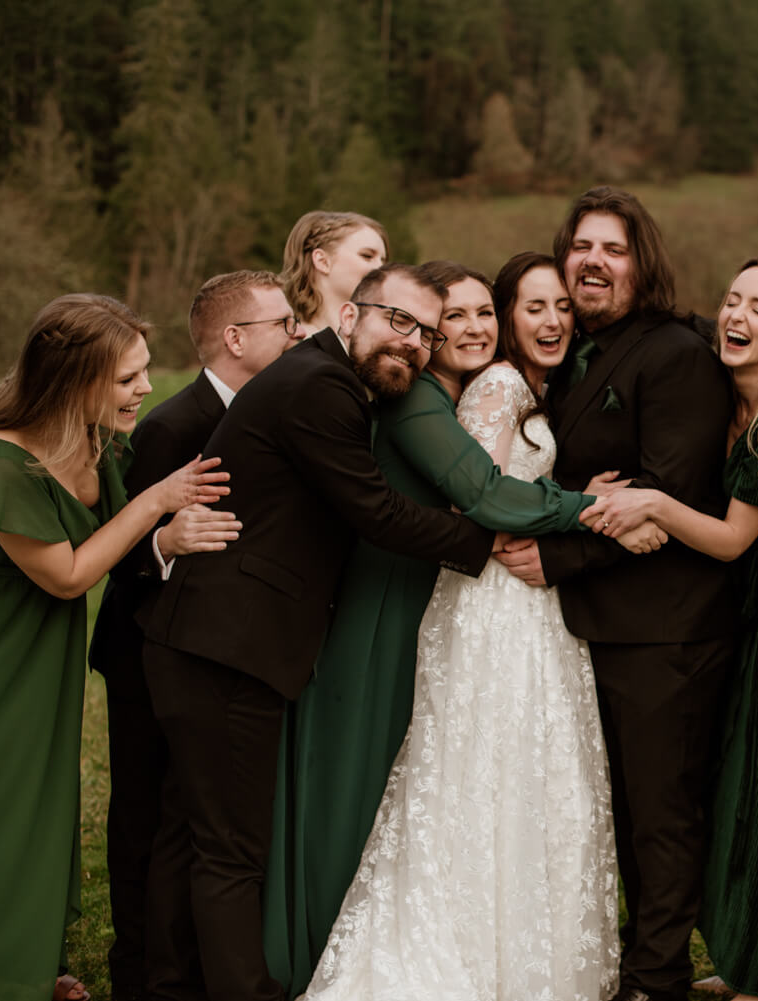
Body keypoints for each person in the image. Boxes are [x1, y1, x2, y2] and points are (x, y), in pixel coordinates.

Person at [303, 252, 667, 1001]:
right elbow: (486, 501)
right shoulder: (498, 386)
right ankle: (489, 953)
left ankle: (509, 946)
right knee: (498, 766)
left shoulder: (493, 387)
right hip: (498, 605)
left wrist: (564, 495)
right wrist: (598, 516)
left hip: (518, 603)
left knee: (511, 766)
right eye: (457, 316)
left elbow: (500, 483)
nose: (476, 327)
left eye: (482, 314)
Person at [140, 264, 497, 1001]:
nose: (415, 342)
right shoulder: (319, 386)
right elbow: (372, 509)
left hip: (224, 643)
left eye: (426, 333)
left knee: (211, 835)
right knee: (230, 849)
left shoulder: (325, 380)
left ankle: (176, 982)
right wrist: (479, 541)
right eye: (399, 320)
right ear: (349, 314)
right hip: (222, 645)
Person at [582, 256, 758, 1001]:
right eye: (732, 300)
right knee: (734, 795)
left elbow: (733, 540)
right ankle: (742, 955)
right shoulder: (716, 388)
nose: (737, 317)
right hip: (737, 616)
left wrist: (654, 503)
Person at [495, 186, 735, 1001]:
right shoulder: (566, 357)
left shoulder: (676, 355)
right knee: (611, 807)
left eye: (614, 249)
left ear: (644, 264)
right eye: (582, 247)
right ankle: (629, 957)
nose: (593, 261)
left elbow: (669, 489)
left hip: (665, 628)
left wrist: (559, 556)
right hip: (591, 629)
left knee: (660, 812)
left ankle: (657, 976)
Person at [0, 294, 228, 1001]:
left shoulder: (96, 442)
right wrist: (155, 504)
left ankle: (24, 958)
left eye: (144, 372)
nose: (146, 388)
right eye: (126, 378)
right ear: (71, 379)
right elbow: (69, 573)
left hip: (43, 661)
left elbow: (116, 545)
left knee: (42, 804)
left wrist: (165, 536)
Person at [89, 270, 291, 1001]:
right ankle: (140, 972)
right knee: (148, 816)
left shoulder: (270, 412)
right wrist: (163, 542)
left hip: (211, 649)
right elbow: (122, 559)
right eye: (283, 324)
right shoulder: (175, 425)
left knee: (191, 816)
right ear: (236, 338)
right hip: (145, 646)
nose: (298, 335)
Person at [280, 210, 387, 335]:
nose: (381, 269)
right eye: (367, 256)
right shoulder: (293, 344)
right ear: (323, 261)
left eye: (383, 261)